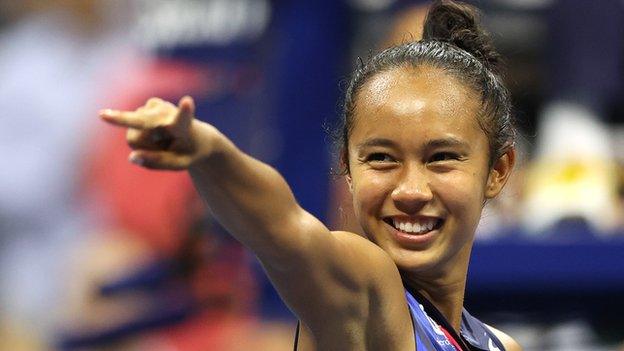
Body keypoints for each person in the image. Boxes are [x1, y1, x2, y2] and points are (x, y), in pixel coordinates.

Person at [100, 1, 522, 350]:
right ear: (347, 169)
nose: (410, 190)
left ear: (497, 171)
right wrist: (210, 152)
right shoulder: (366, 291)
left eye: (441, 157)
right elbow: (283, 228)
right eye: (381, 159)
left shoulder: (499, 345)